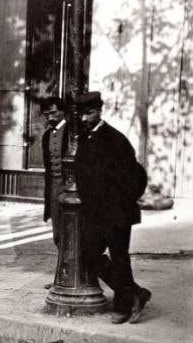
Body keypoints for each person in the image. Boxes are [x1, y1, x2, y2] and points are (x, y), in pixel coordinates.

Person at [74, 91, 151, 324]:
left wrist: (123, 202)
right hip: (94, 213)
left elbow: (137, 176)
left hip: (117, 213)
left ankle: (123, 306)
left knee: (119, 257)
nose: (85, 118)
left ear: (100, 111)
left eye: (89, 113)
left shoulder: (115, 139)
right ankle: (135, 293)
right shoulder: (85, 139)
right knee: (90, 254)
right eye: (81, 114)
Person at [40, 96, 68, 247]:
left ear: (62, 112)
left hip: (69, 185)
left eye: (53, 112)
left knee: (71, 225)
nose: (50, 116)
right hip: (53, 186)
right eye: (46, 114)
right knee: (57, 227)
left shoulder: (72, 133)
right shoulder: (46, 136)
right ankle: (61, 265)